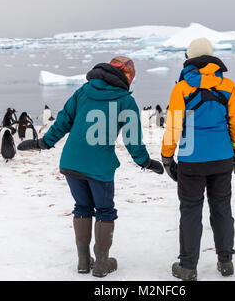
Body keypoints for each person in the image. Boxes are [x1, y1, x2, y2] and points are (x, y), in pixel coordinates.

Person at [18, 56, 164, 277]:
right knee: (105, 211)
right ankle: (102, 263)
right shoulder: (125, 100)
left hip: (71, 162)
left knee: (82, 207)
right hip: (100, 167)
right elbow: (132, 139)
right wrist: (146, 162)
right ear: (127, 76)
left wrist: (45, 143)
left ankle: (84, 261)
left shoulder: (83, 91)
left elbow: (63, 120)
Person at [161, 38, 235, 280]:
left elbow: (174, 127)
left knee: (190, 210)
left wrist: (167, 156)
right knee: (222, 208)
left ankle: (188, 267)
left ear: (189, 59)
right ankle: (226, 262)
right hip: (222, 157)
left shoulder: (182, 88)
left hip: (191, 158)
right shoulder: (228, 86)